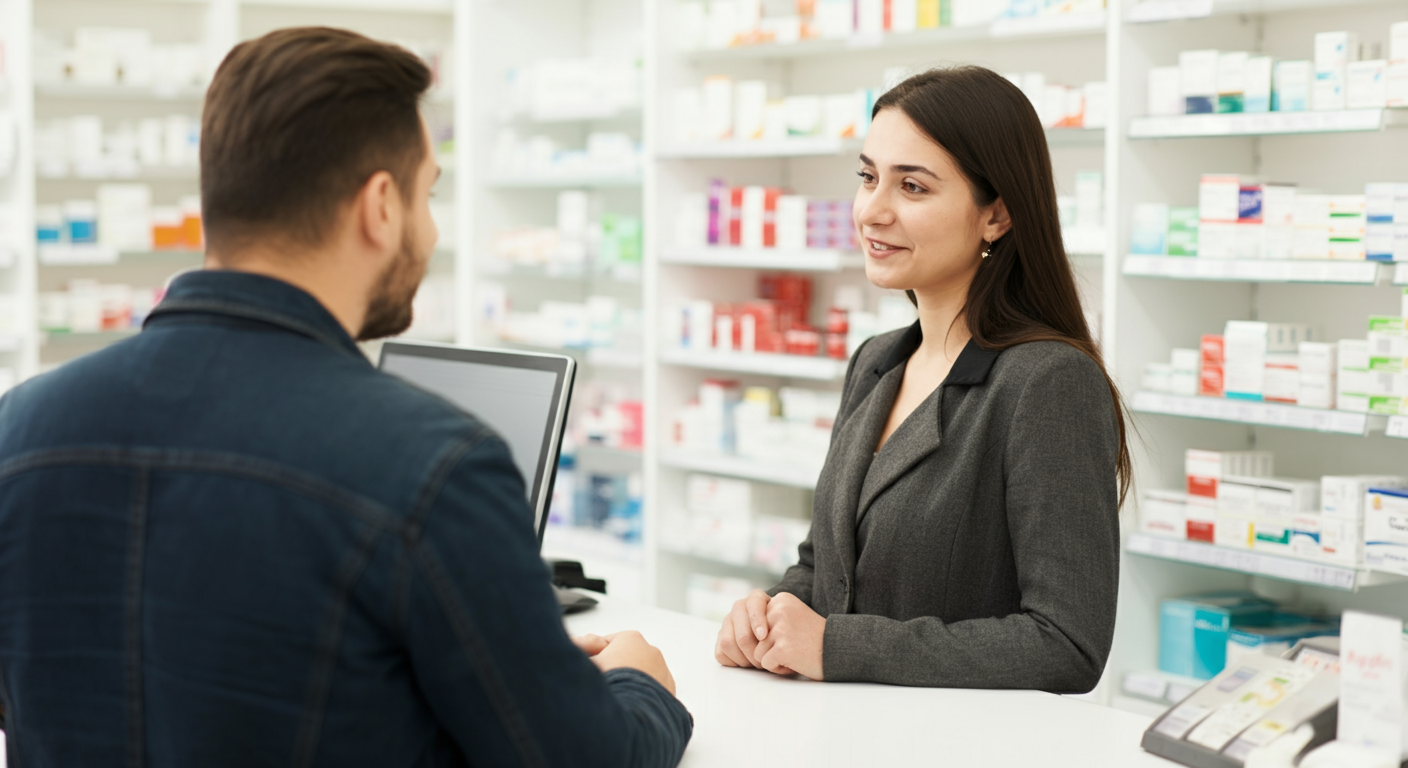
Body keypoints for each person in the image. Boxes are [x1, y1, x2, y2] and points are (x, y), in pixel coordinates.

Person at [0, 27, 691, 767]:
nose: (428, 230)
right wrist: (638, 687)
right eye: (428, 195)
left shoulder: (22, 427)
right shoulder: (431, 464)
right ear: (380, 206)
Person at [713, 66, 1129, 692]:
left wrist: (835, 646)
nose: (872, 211)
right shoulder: (877, 362)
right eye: (868, 177)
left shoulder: (1048, 383)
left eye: (912, 186)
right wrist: (769, 613)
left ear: (997, 216)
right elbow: (823, 566)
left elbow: (1066, 644)